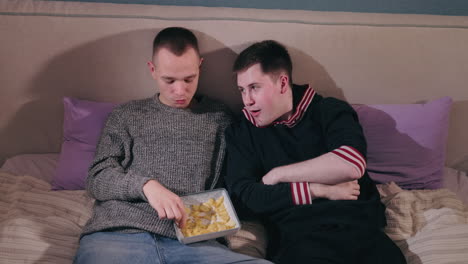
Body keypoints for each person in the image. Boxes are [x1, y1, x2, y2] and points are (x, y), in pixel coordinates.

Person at [74, 27, 271, 264]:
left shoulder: (220, 119)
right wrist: (146, 186)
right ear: (152, 70)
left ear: (200, 66)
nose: (180, 91)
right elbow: (97, 178)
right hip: (121, 235)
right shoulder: (127, 115)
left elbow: (241, 181)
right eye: (169, 80)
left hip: (196, 242)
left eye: (189, 79)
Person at [225, 40, 407, 264]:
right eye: (242, 90)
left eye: (254, 88)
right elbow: (246, 195)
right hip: (300, 236)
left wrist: (277, 175)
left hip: (358, 228)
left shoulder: (329, 110)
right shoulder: (241, 131)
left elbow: (351, 164)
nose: (247, 101)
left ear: (283, 83)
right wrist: (316, 189)